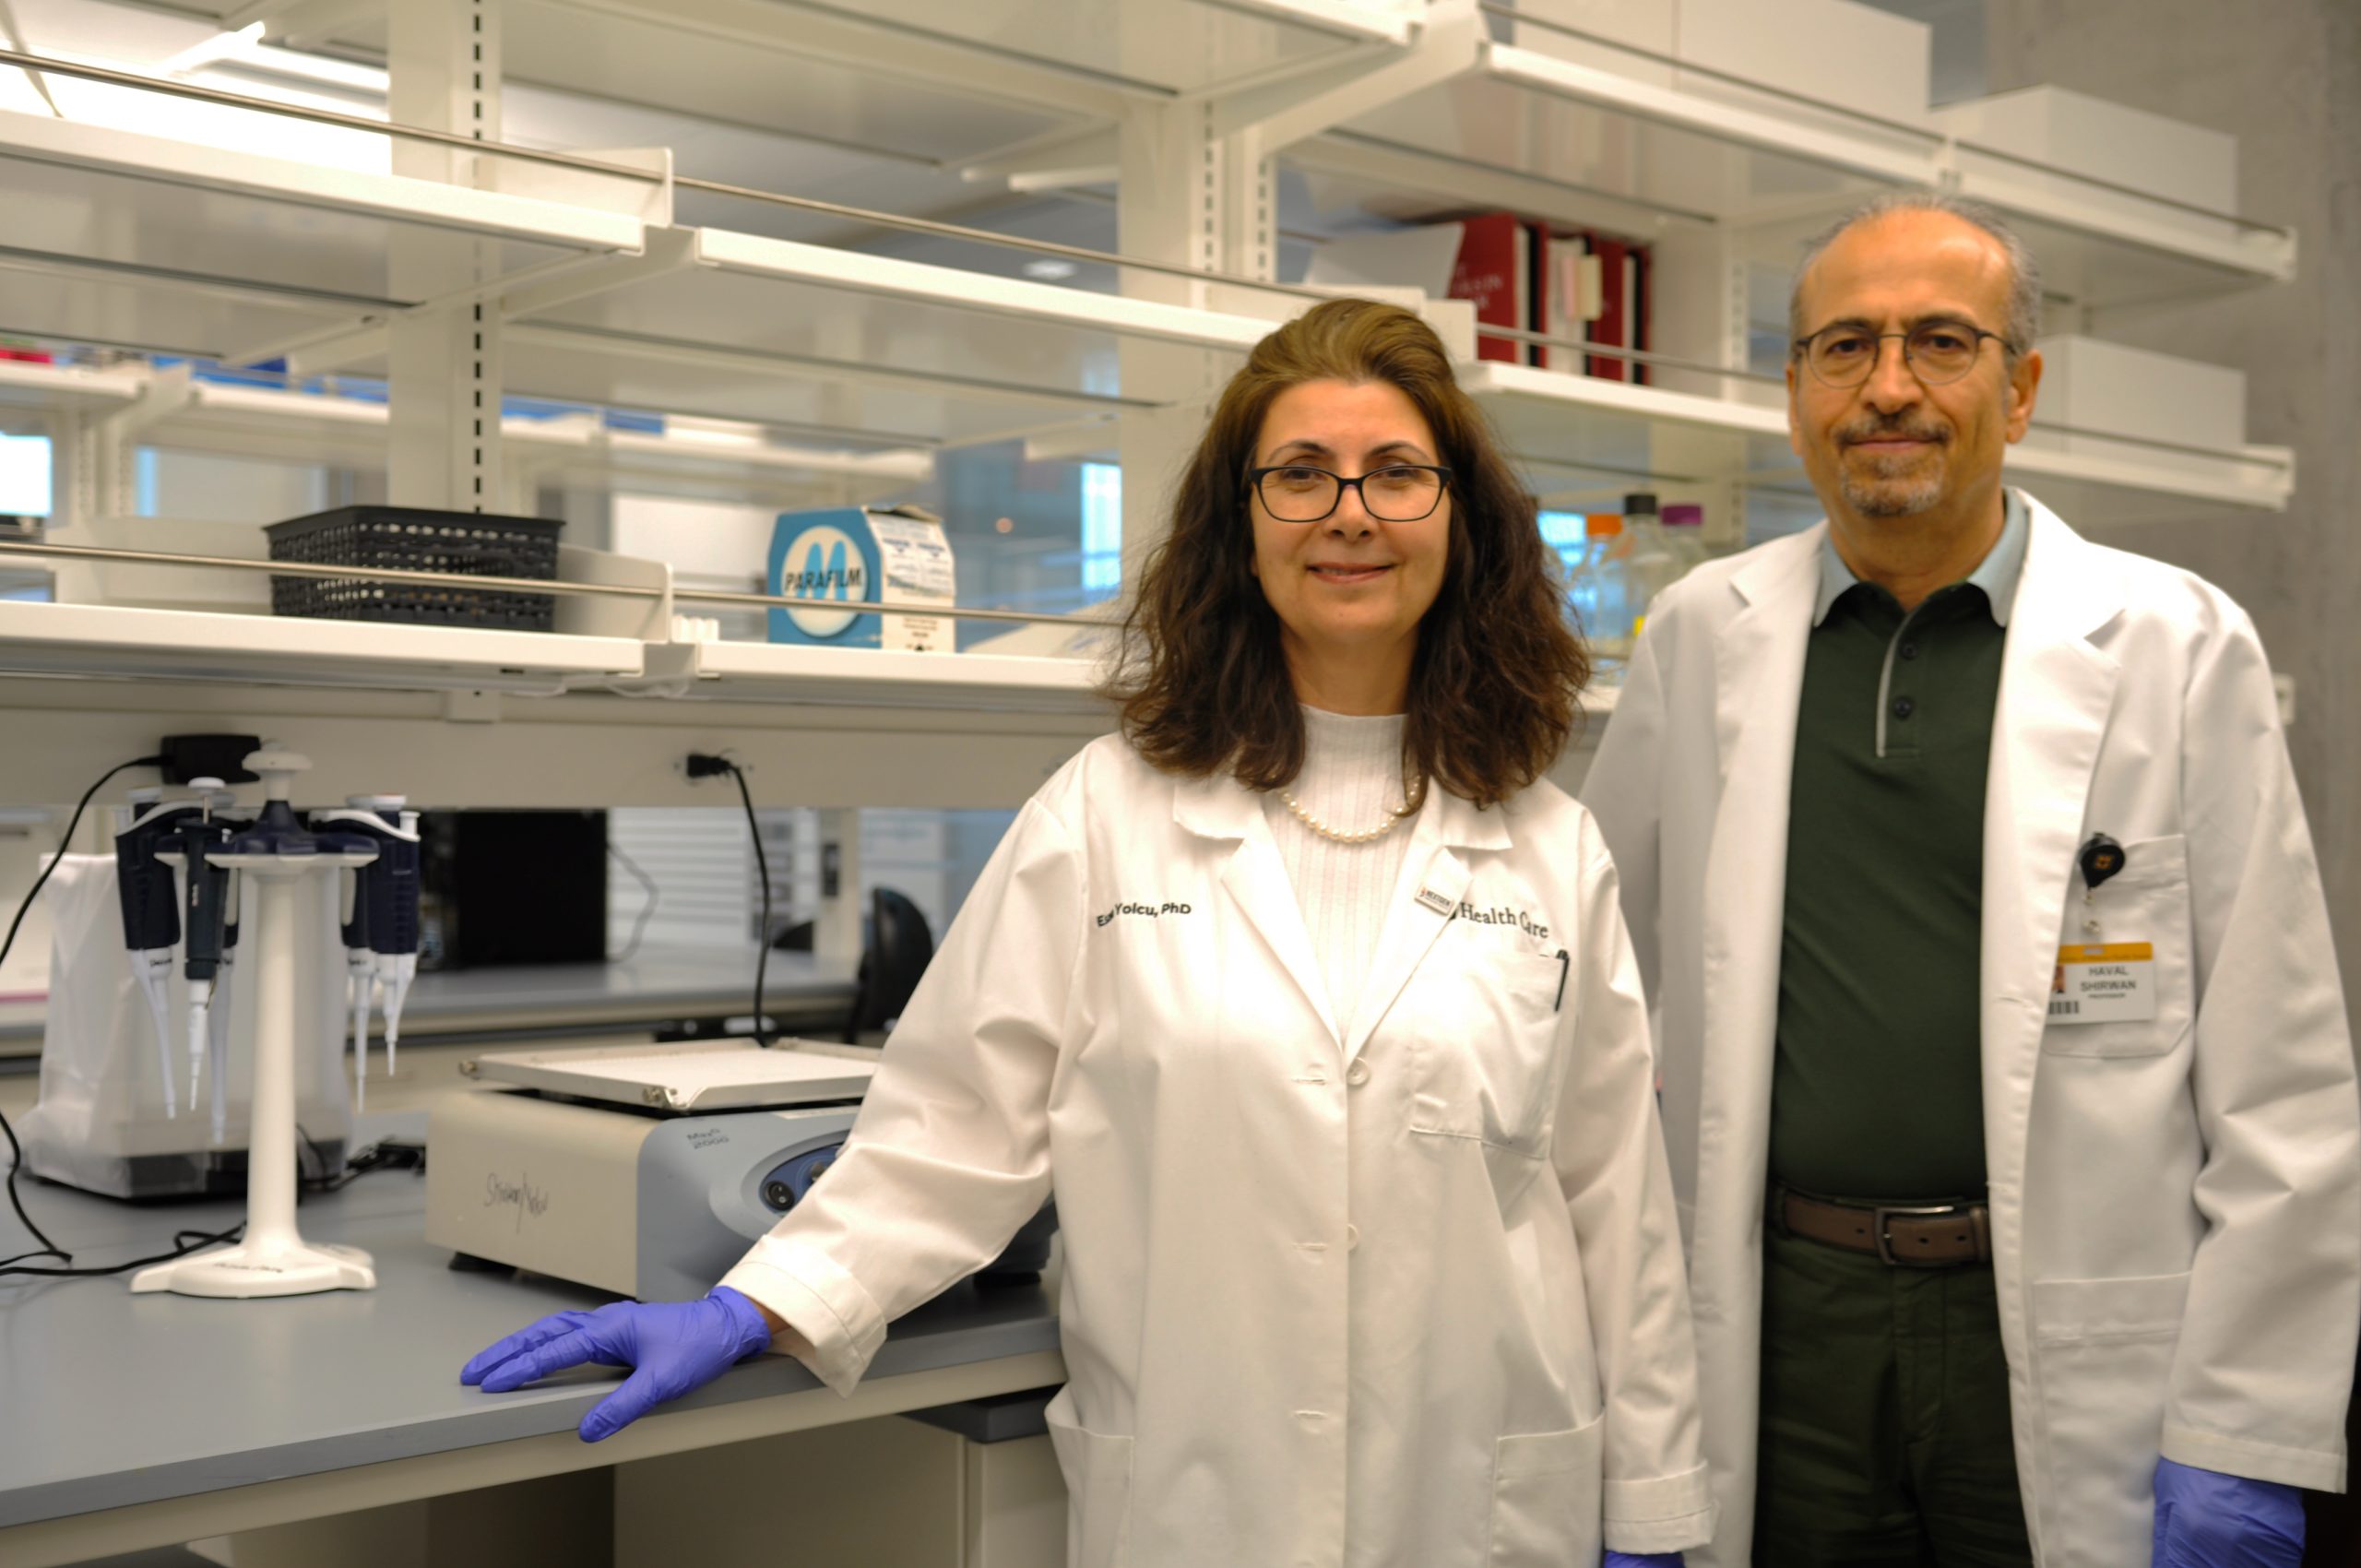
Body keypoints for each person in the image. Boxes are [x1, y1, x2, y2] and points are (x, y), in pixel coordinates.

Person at [463, 298, 1716, 1568]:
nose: (1350, 512)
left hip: (1483, 1505)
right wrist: (753, 1305)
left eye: (1397, 472)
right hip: (1198, 1502)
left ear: (1461, 520)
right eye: (1299, 474)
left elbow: (1615, 1204)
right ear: (1240, 526)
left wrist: (1652, 1510)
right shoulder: (1103, 816)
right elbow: (956, 1132)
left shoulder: (1550, 845)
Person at [1581, 190, 2360, 1568]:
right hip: (1780, 1327)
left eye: (1942, 342)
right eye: (1845, 347)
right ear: (1796, 395)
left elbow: (2280, 1078)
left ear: (2022, 389)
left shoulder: (2176, 643)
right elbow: (1600, 1022)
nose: (1889, 387)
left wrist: (2244, 1429)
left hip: (2068, 1325)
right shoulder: (1700, 635)